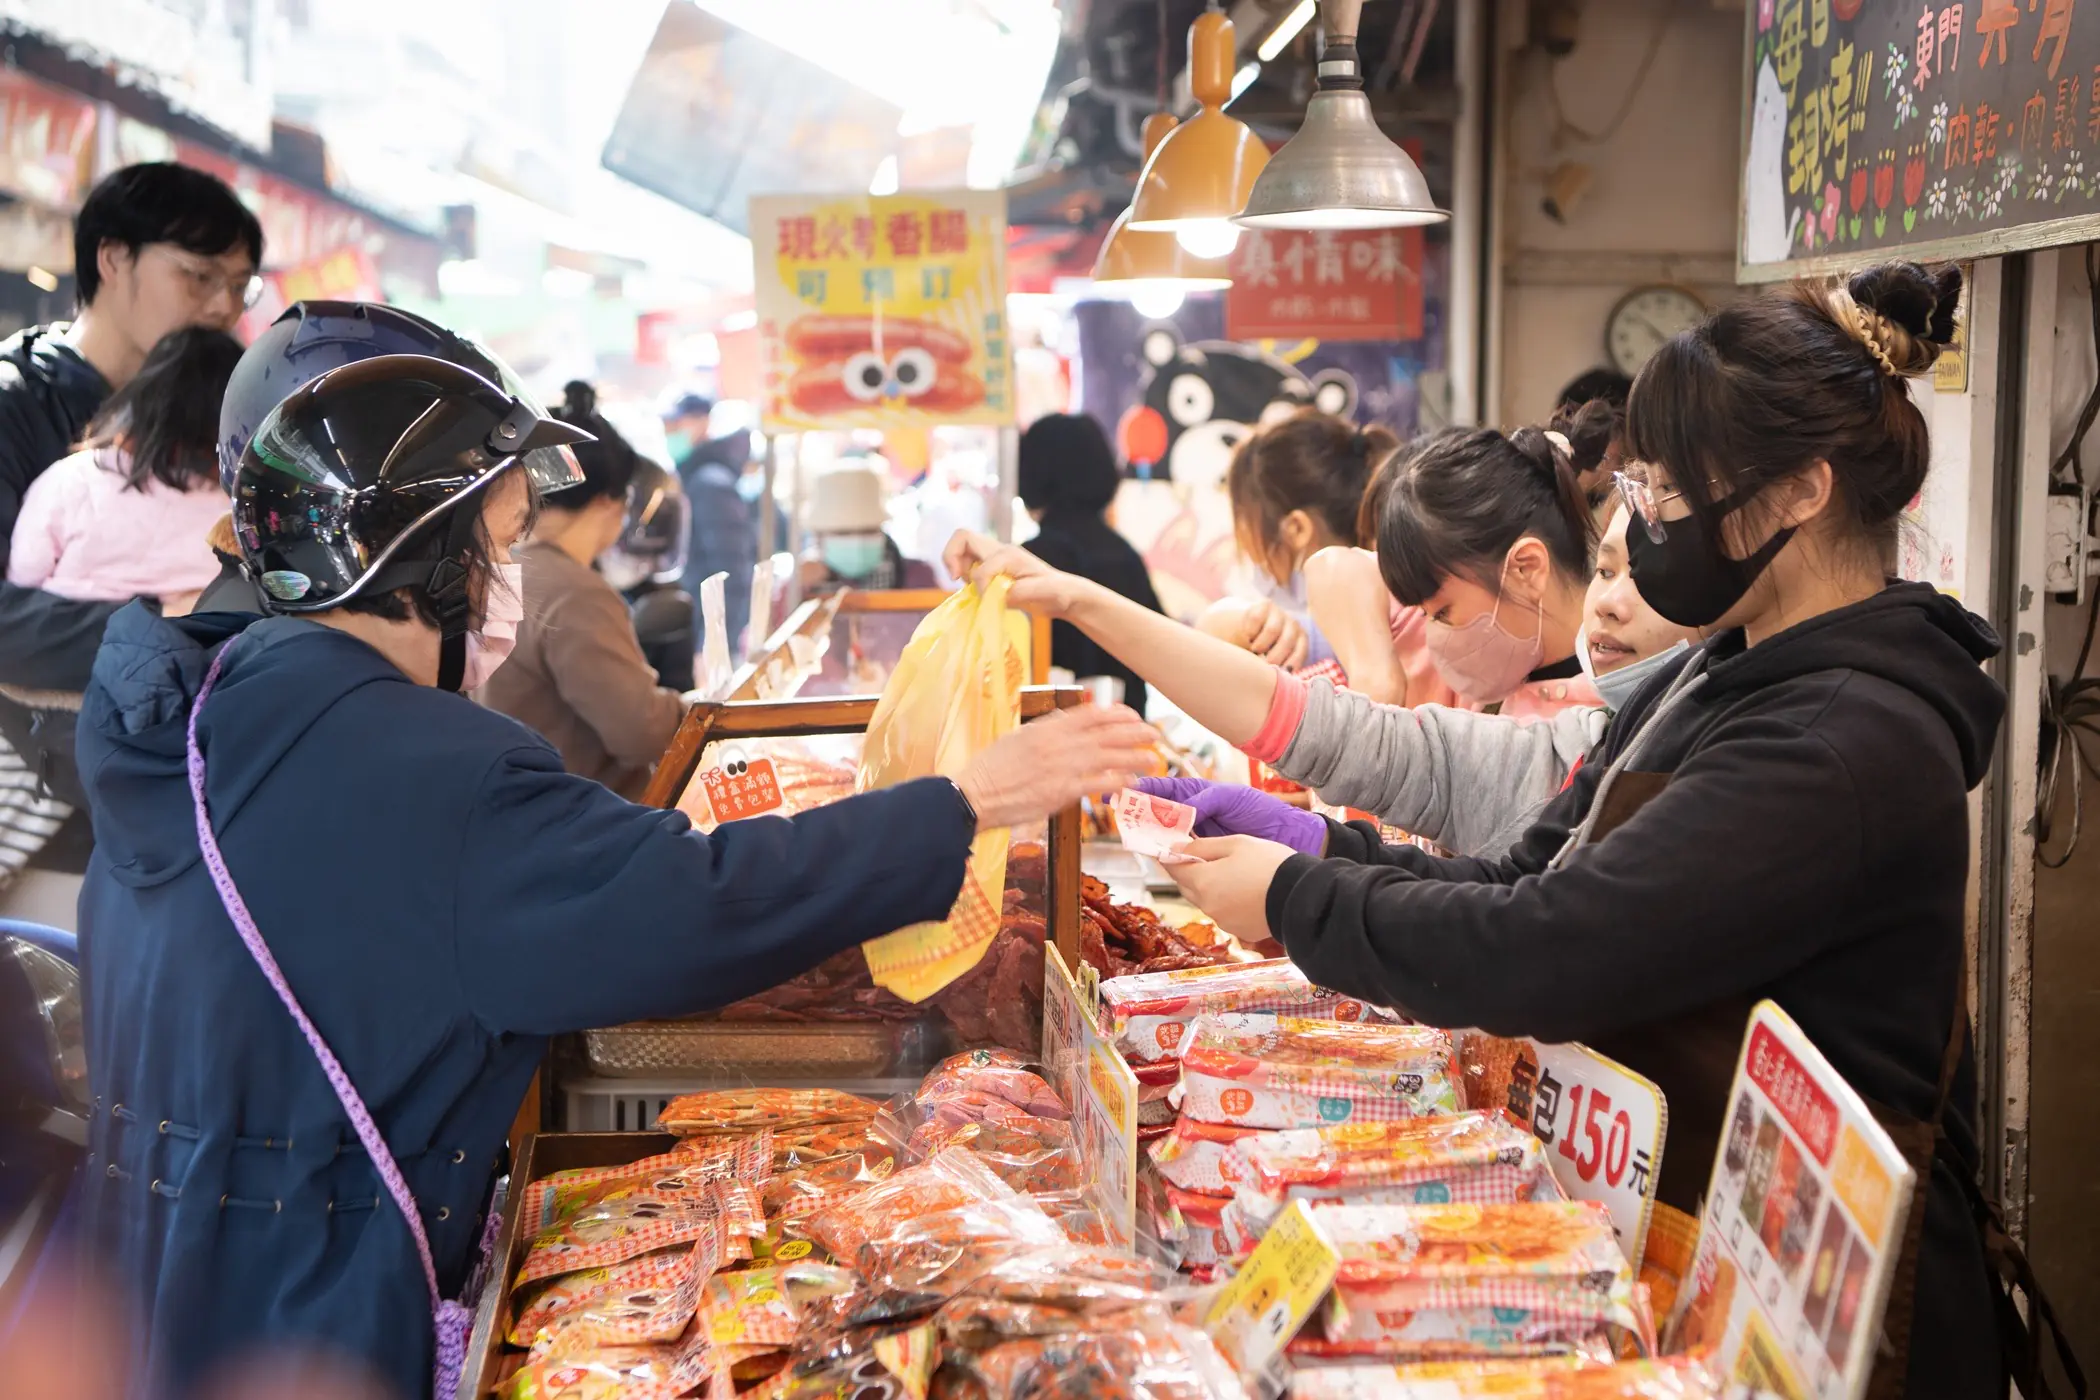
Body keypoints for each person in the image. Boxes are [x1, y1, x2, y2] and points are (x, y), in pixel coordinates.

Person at [76, 338, 1157, 1398]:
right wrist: (967, 802)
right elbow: (695, 901)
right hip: (310, 1310)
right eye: (499, 544)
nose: (507, 579)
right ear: (419, 566)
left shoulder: (208, 708)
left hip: (149, 1276)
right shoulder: (428, 768)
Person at [1133, 263, 2022, 1397]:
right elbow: (1525, 871)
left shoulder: (1840, 740)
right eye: (1641, 487)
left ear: (1802, 491)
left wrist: (1295, 895)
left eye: (1669, 492)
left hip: (1830, 1327)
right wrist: (1317, 854)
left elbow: (1552, 945)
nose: (1642, 526)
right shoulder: (1717, 670)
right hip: (1694, 1266)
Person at [0, 162, 260, 927]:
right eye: (199, 276)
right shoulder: (14, 406)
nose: (223, 306)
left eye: (240, 286)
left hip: (184, 808)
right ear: (113, 259)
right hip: (46, 816)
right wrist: (184, 631)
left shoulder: (230, 420)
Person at [476, 382, 687, 799]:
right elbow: (640, 733)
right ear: (611, 501)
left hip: (520, 802)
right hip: (586, 813)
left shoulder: (503, 568)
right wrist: (689, 708)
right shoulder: (576, 593)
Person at [8, 328, 244, 615]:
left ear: (137, 400)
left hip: (65, 634)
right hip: (193, 637)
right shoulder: (234, 512)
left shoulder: (71, 480)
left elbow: (24, 576)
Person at [1192, 411, 1397, 672]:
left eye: (1247, 529)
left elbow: (1201, 641)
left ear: (1297, 529)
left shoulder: (1331, 633)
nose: (1249, 554)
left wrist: (1251, 624)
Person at [1016, 413, 1163, 712]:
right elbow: (1161, 647)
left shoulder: (1028, 560)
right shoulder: (1126, 556)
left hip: (1047, 731)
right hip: (1127, 729)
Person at [802, 463, 936, 591]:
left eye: (867, 530)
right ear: (819, 536)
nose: (856, 542)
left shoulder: (917, 576)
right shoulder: (801, 582)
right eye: (843, 532)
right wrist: (797, 587)